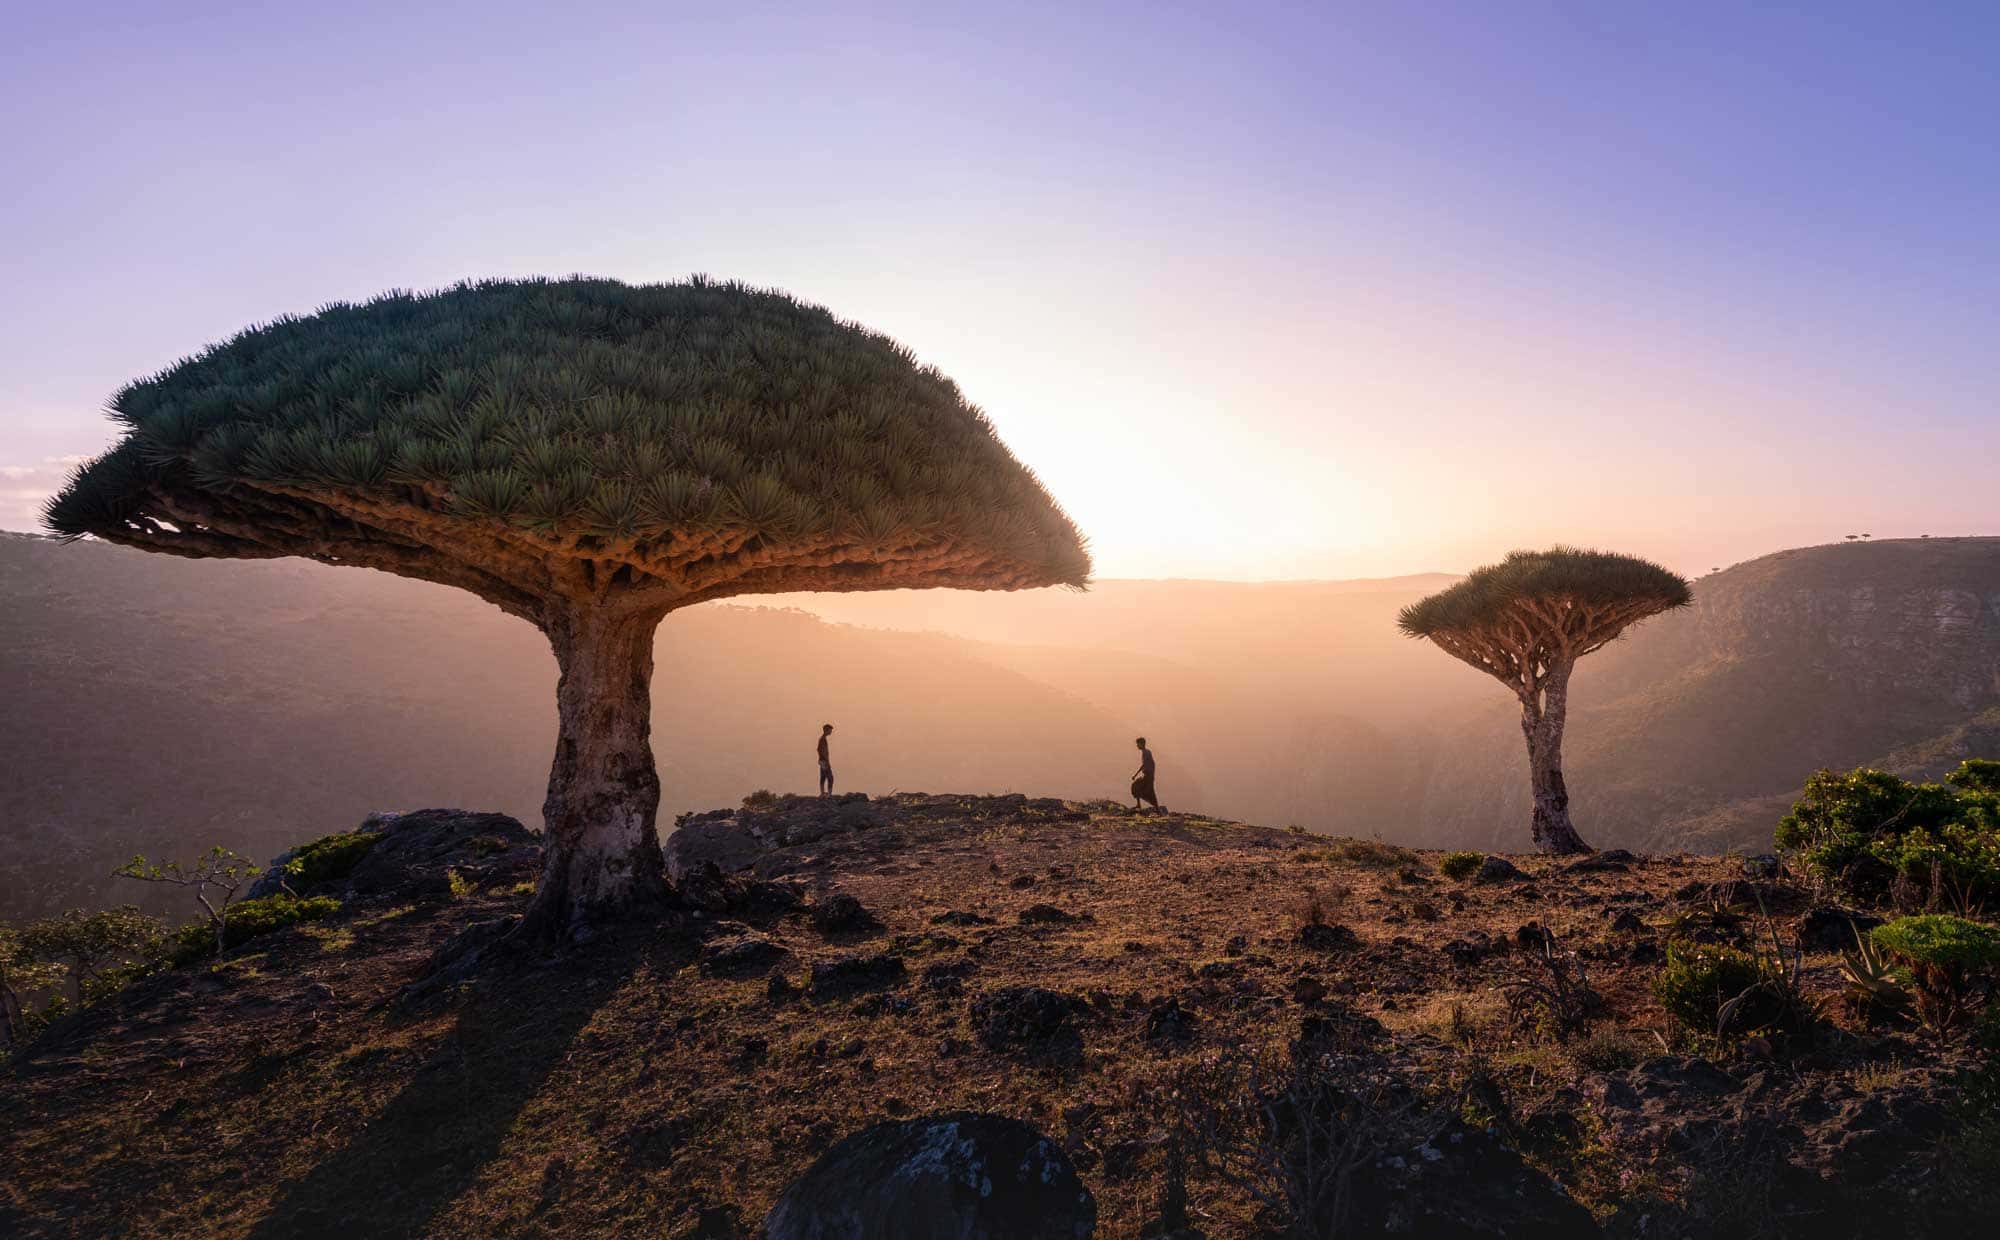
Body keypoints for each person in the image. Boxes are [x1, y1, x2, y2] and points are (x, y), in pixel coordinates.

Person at [1130, 736, 1163, 812]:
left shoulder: (1146, 753)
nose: (1137, 746)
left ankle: (1157, 810)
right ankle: (1141, 805)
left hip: (1148, 776)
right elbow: (1149, 764)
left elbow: (1146, 764)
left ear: (1142, 744)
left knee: (1145, 790)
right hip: (1147, 775)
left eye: (1138, 744)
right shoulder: (1146, 752)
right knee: (1138, 787)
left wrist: (1136, 774)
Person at [817, 723, 835, 797]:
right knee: (830, 777)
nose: (831, 732)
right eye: (830, 730)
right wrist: (825, 761)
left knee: (823, 776)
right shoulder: (822, 739)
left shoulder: (822, 739)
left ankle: (822, 793)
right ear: (826, 730)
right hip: (824, 761)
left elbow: (818, 750)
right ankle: (829, 794)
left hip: (822, 760)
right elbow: (820, 750)